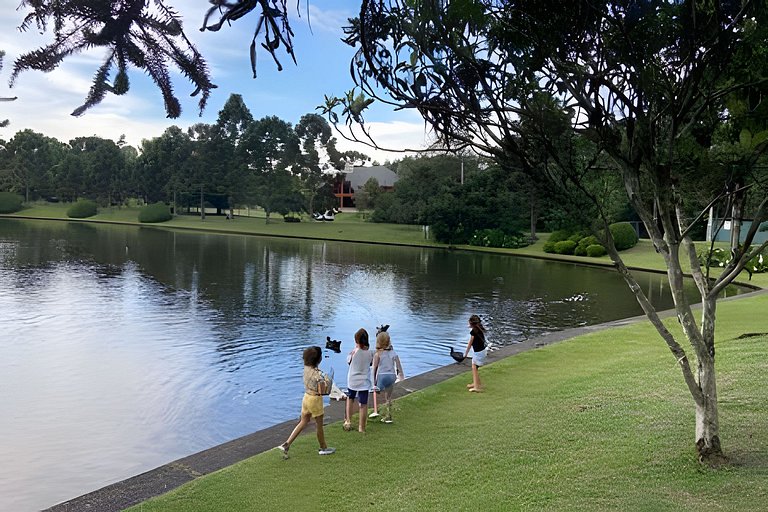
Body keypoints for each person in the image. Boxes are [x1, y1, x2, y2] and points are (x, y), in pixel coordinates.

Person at [277, 346, 336, 457]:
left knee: (303, 422)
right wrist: (328, 379)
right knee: (319, 426)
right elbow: (324, 387)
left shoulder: (305, 369)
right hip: (315, 400)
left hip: (306, 398)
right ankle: (323, 448)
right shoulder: (317, 374)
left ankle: (287, 443)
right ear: (318, 359)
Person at [344, 328, 374, 433]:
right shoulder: (371, 353)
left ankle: (348, 421)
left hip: (352, 380)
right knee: (363, 404)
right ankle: (362, 427)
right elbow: (371, 363)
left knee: (350, 398)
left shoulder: (353, 352)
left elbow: (348, 361)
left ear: (356, 341)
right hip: (364, 382)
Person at [371, 330, 405, 424]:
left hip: (382, 376)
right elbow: (398, 365)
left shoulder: (377, 354)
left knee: (375, 391)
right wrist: (401, 376)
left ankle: (375, 410)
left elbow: (374, 369)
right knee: (388, 397)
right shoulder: (393, 353)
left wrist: (373, 382)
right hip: (392, 376)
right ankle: (388, 416)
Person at [463, 314, 487, 392]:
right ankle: (477, 383)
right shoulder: (479, 330)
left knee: (474, 368)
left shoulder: (473, 332)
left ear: (471, 324)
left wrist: (466, 353)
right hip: (482, 351)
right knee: (475, 367)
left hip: (479, 353)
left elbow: (470, 343)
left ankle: (476, 387)